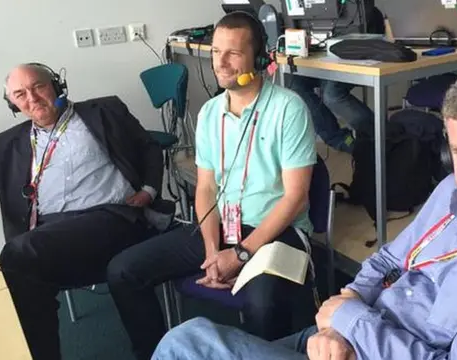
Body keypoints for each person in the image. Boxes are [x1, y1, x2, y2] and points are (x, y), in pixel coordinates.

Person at [150, 64, 457, 360]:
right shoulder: (452, 193)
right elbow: (385, 262)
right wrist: (343, 323)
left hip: (366, 340)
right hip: (346, 338)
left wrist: (348, 320)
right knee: (186, 340)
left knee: (188, 345)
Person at [106, 11, 318, 360]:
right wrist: (210, 252)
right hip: (222, 227)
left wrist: (240, 254)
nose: (221, 62)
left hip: (279, 230)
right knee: (123, 271)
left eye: (233, 52)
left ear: (258, 57)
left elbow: (295, 198)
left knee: (262, 303)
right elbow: (205, 188)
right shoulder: (209, 114)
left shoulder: (288, 108)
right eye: (216, 51)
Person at [0, 63, 164, 360]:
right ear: (12, 103)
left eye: (38, 86)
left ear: (56, 85)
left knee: (18, 257)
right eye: (20, 93)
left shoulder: (104, 111)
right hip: (51, 237)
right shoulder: (10, 143)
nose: (32, 98)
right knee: (23, 279)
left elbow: (149, 147)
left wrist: (149, 190)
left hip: (112, 217)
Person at [286, 4, 386, 153]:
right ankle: (341, 140)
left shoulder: (359, 10)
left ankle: (382, 139)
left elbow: (370, 20)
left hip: (360, 42)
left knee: (332, 95)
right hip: (324, 51)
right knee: (294, 84)